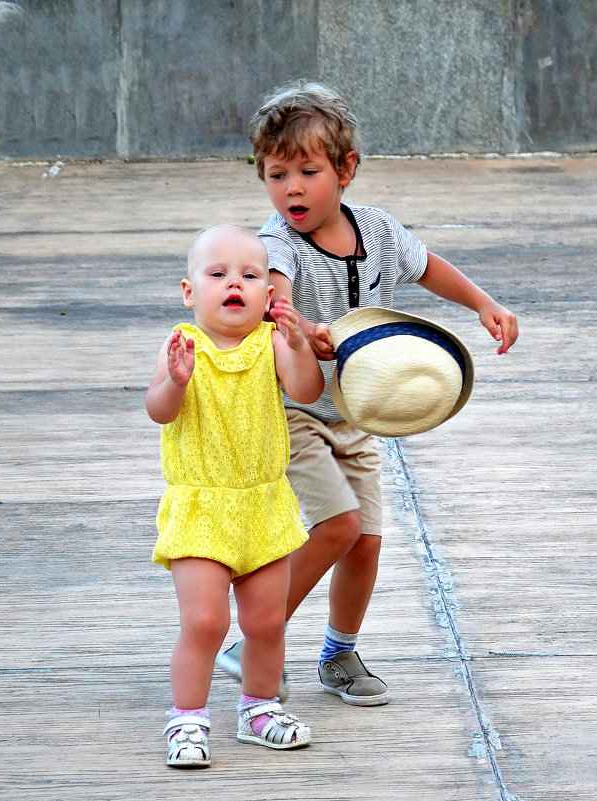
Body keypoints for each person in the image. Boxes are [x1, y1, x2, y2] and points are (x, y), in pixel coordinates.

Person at [215, 81, 519, 707]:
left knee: (367, 540)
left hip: (357, 414)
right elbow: (275, 300)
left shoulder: (374, 228)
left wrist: (483, 303)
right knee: (338, 525)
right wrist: (296, 330)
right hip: (293, 413)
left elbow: (427, 265)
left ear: (346, 169)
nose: (291, 189)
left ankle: (339, 653)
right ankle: (252, 635)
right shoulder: (278, 243)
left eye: (307, 171)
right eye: (275, 175)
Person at [147, 224, 324, 767]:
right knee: (205, 622)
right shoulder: (183, 345)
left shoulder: (269, 343)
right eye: (218, 273)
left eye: (249, 276)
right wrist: (175, 381)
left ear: (268, 296)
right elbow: (159, 409)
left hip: (263, 504)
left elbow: (306, 390)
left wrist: (298, 345)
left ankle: (259, 709)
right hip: (201, 504)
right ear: (189, 291)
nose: (234, 284)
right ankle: (187, 720)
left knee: (266, 622)